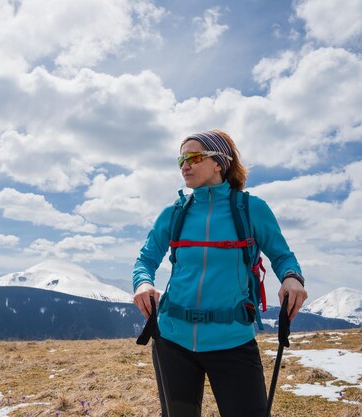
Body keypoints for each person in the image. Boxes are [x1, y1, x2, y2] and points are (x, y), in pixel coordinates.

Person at [132, 129, 308, 417]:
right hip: (173, 340)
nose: (185, 165)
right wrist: (143, 283)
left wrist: (291, 277)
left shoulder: (252, 209)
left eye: (194, 157)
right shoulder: (174, 213)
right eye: (181, 160)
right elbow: (146, 259)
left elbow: (282, 255)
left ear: (220, 163)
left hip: (233, 341)